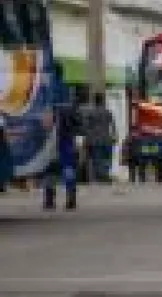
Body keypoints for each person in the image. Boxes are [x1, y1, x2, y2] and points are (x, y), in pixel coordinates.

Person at [43, 64, 78, 211]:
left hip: (50, 134)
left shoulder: (46, 89)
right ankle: (71, 198)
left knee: (50, 167)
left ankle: (50, 200)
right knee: (68, 166)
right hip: (66, 135)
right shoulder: (68, 90)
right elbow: (75, 115)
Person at [80, 94, 117, 183]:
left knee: (97, 158)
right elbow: (113, 126)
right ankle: (105, 175)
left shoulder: (90, 113)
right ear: (102, 101)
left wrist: (85, 139)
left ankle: (100, 176)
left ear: (95, 102)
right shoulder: (108, 112)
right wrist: (114, 136)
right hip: (106, 139)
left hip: (94, 140)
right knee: (107, 158)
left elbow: (85, 127)